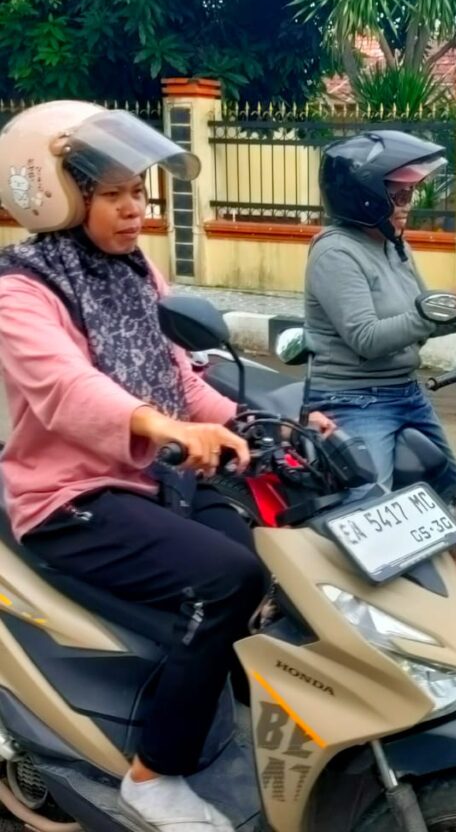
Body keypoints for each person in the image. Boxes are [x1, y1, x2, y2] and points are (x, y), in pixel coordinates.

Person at [0, 101, 330, 832]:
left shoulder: (135, 269)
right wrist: (161, 427)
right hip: (70, 498)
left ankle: (234, 720)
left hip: (153, 479)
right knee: (226, 579)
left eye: (138, 193)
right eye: (114, 195)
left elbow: (178, 376)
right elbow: (65, 391)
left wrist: (265, 423)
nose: (134, 210)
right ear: (57, 193)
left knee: (276, 556)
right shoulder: (21, 289)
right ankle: (153, 776)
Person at [304, 131, 456, 493]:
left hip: (407, 392)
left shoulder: (395, 244)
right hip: (355, 400)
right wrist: (442, 304)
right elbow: (368, 339)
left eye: (411, 194)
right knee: (371, 507)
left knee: (454, 495)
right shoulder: (336, 252)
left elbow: (420, 322)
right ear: (366, 197)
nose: (408, 204)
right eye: (399, 195)